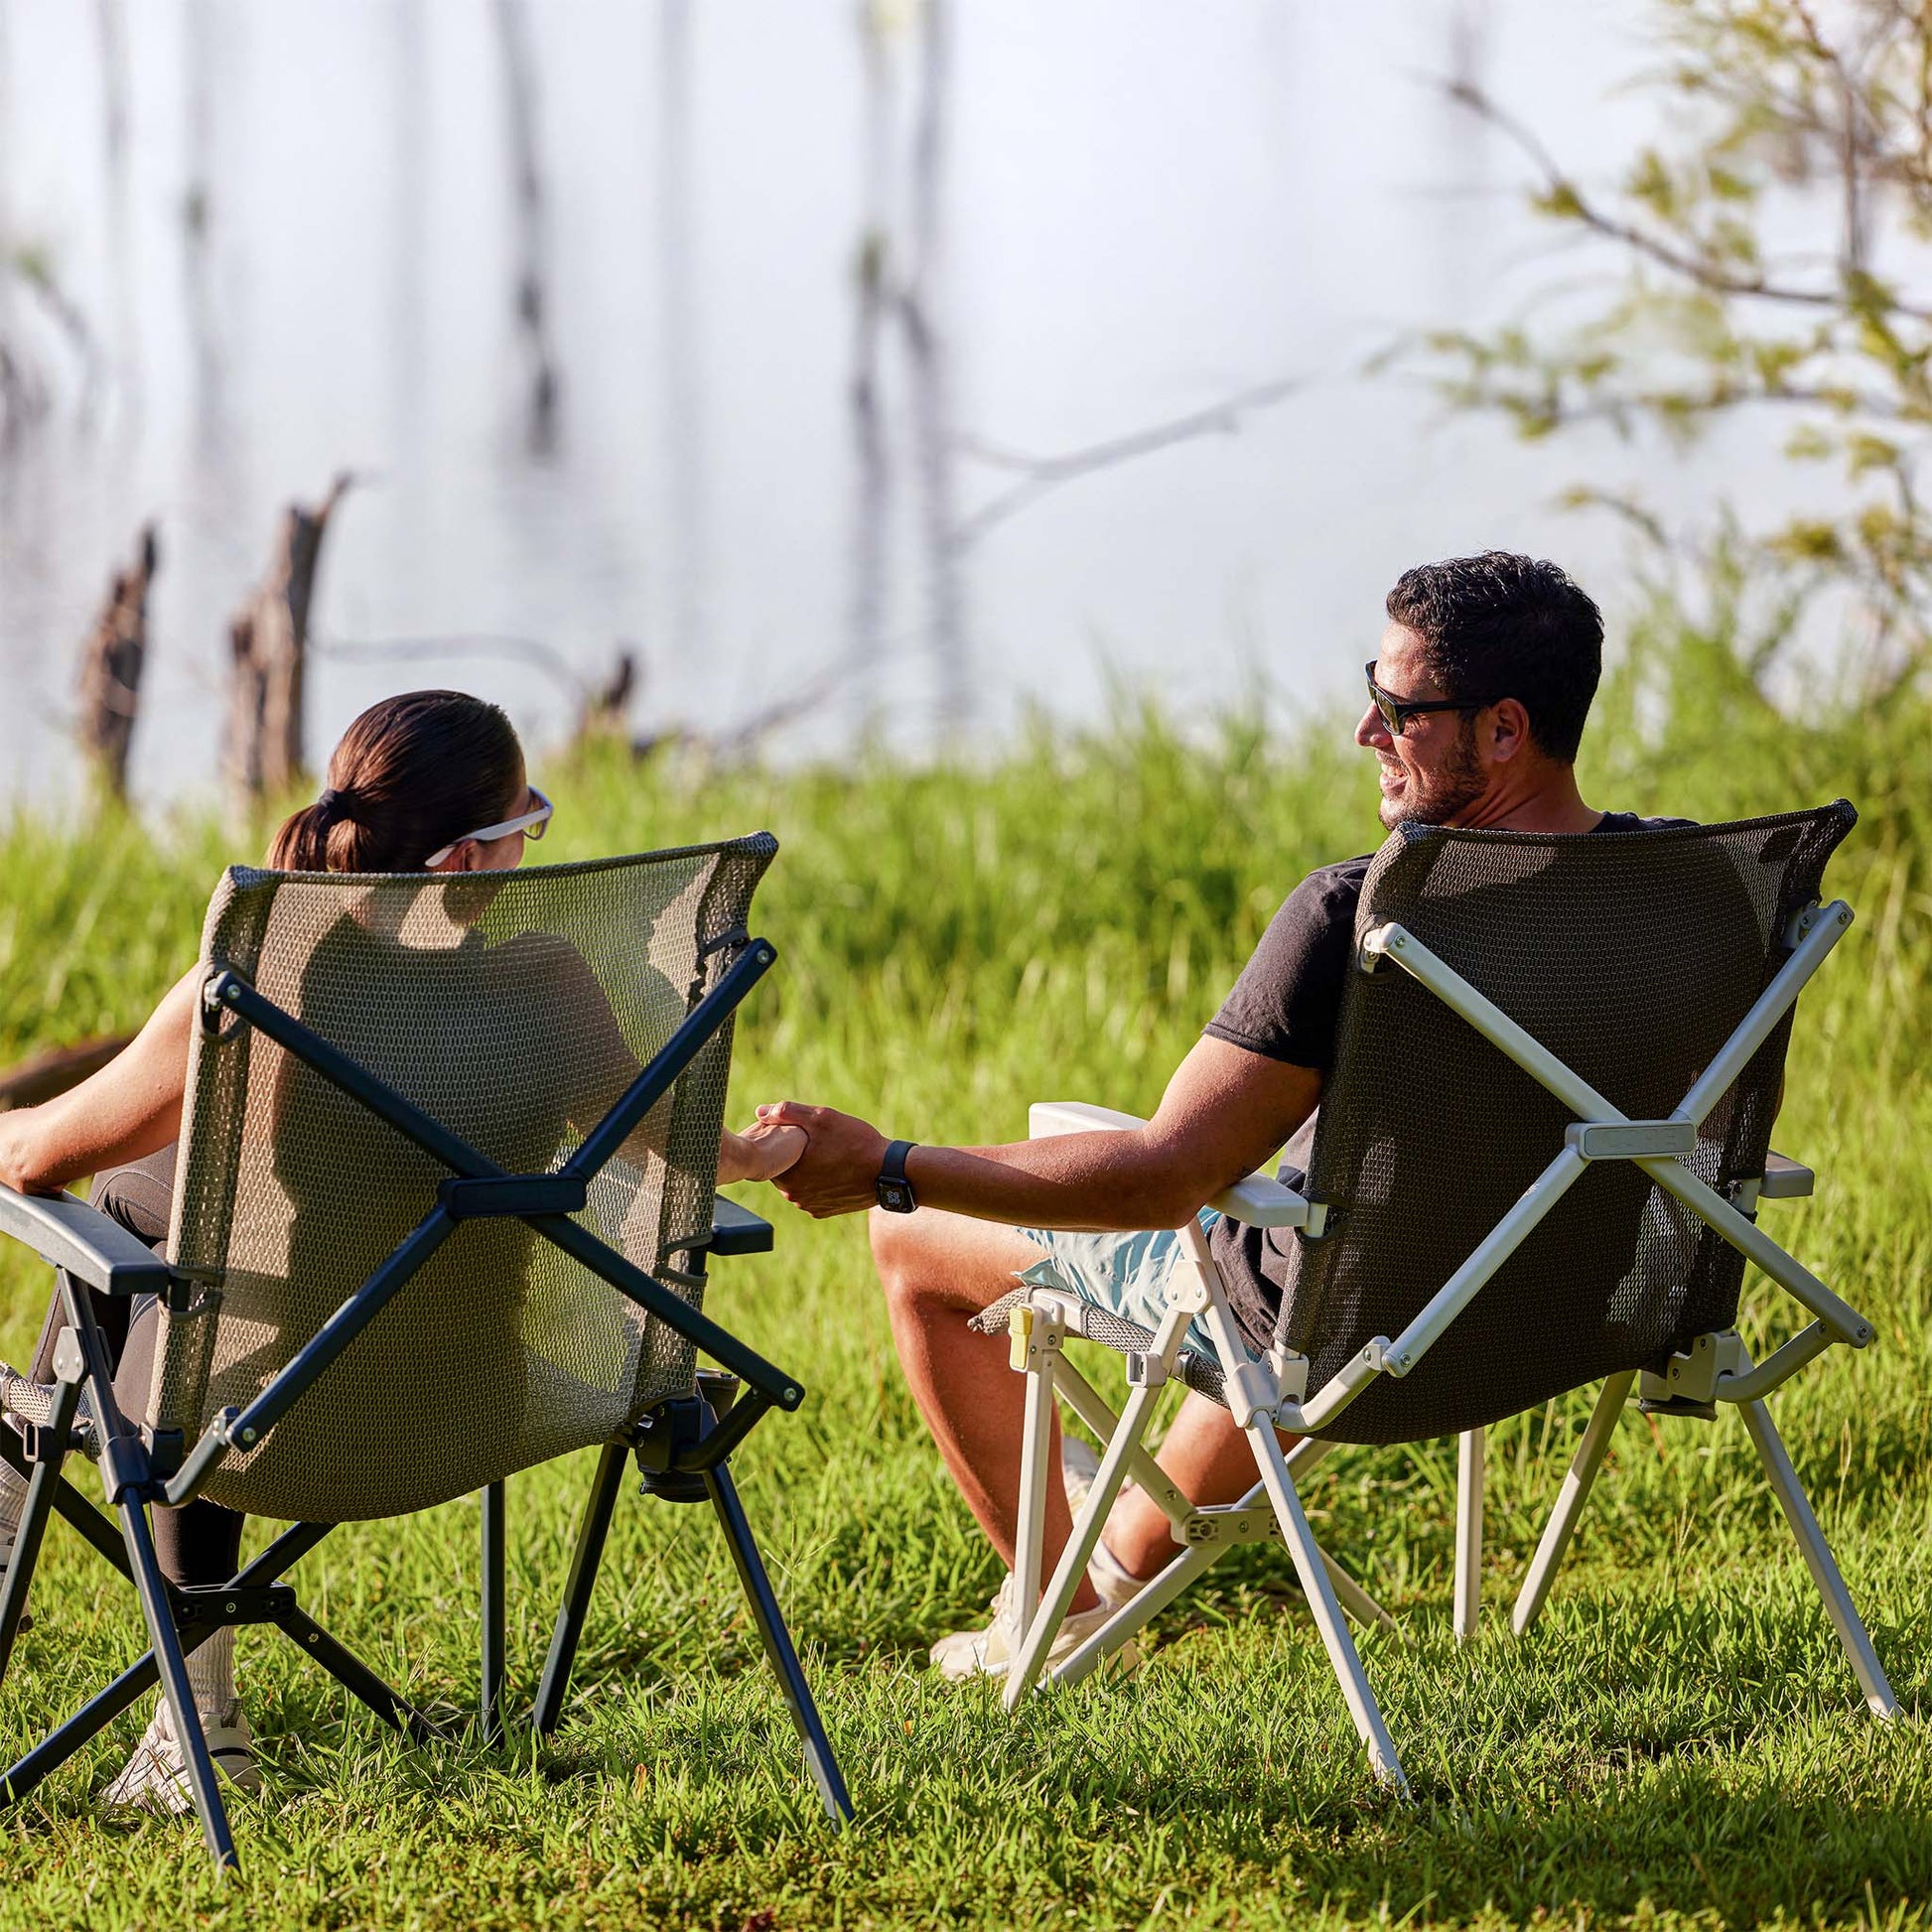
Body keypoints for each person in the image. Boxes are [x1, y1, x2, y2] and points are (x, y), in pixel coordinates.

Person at [755, 551, 1691, 1683]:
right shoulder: (1688, 890)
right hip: (1565, 1306)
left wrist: (888, 1161)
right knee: (1310, 1248)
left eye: (1397, 709)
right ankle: (1109, 1572)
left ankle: (1039, 1619)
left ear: (1501, 729)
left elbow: (1157, 1181)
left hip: (1355, 1324)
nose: (1364, 730)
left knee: (917, 1233)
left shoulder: (1359, 913)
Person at [0, 690, 803, 1810]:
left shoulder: (258, 985)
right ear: (473, 859)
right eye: (531, 825)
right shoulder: (552, 986)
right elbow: (685, 1153)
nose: (534, 849)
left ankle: (191, 1708)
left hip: (251, 1427)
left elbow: (35, 1154)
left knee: (134, 1212)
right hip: (483, 1405)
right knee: (158, 1210)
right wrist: (775, 1148)